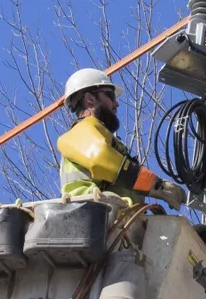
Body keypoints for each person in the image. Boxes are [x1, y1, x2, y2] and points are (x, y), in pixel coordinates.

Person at [57, 69, 187, 209]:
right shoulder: (79, 133)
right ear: (90, 98)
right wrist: (158, 187)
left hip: (113, 220)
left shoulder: (100, 137)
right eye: (111, 96)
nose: (116, 103)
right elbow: (105, 159)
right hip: (94, 215)